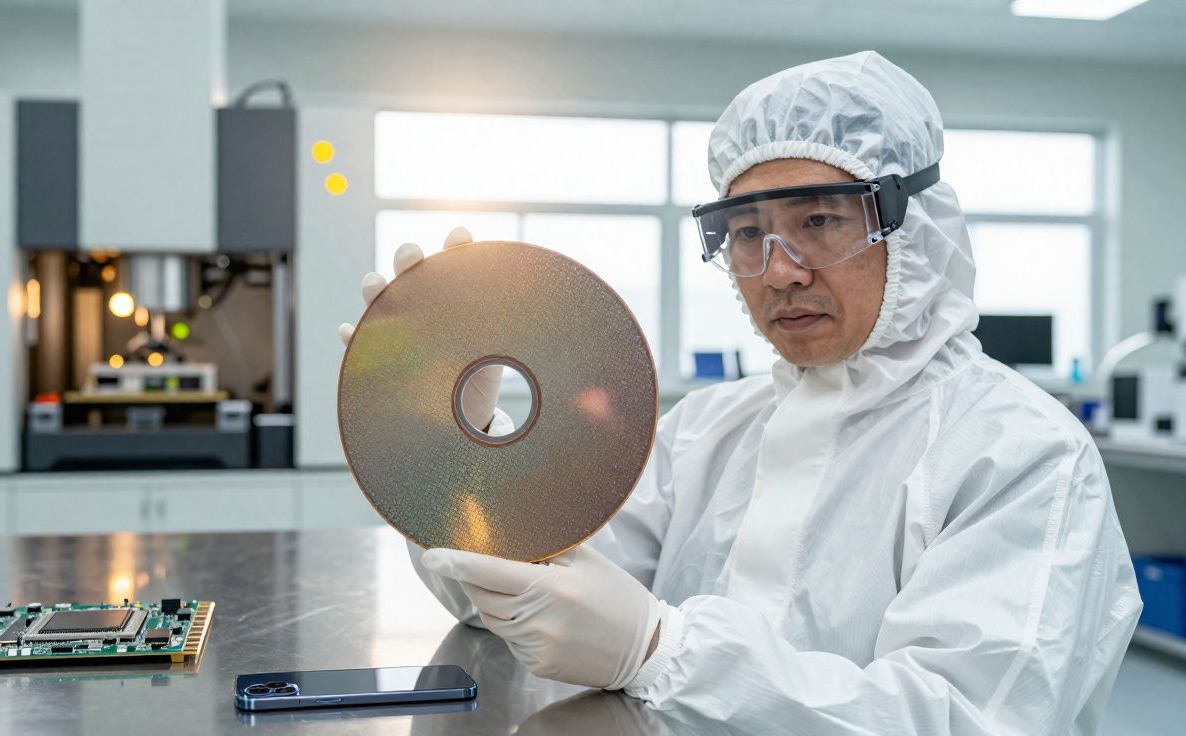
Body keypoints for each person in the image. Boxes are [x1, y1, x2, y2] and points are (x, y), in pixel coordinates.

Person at [339, 51, 1141, 734]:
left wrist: (664, 652)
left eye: (821, 221)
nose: (779, 269)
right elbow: (529, 595)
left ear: (914, 224)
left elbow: (968, 717)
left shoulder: (1021, 451)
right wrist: (458, 456)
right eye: (749, 234)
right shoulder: (710, 429)